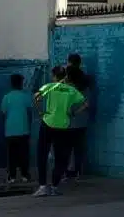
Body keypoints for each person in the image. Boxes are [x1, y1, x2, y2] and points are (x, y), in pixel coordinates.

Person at [33, 65, 85, 197]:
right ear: (65, 76)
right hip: (63, 125)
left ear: (54, 76)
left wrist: (40, 111)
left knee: (42, 154)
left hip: (48, 123)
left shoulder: (49, 86)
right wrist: (73, 113)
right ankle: (55, 186)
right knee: (61, 157)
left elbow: (36, 96)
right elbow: (85, 104)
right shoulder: (71, 90)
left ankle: (43, 186)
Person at [0, 73, 34, 185]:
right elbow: (30, 112)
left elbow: (3, 113)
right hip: (24, 129)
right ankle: (25, 175)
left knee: (11, 155)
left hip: (10, 131)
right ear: (21, 83)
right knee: (24, 154)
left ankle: (12, 176)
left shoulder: (6, 97)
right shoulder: (26, 96)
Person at [63, 53, 93, 182]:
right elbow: (87, 104)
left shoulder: (68, 87)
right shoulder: (85, 82)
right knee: (79, 147)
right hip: (82, 121)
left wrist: (72, 113)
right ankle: (77, 171)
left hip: (69, 121)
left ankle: (69, 171)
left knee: (67, 147)